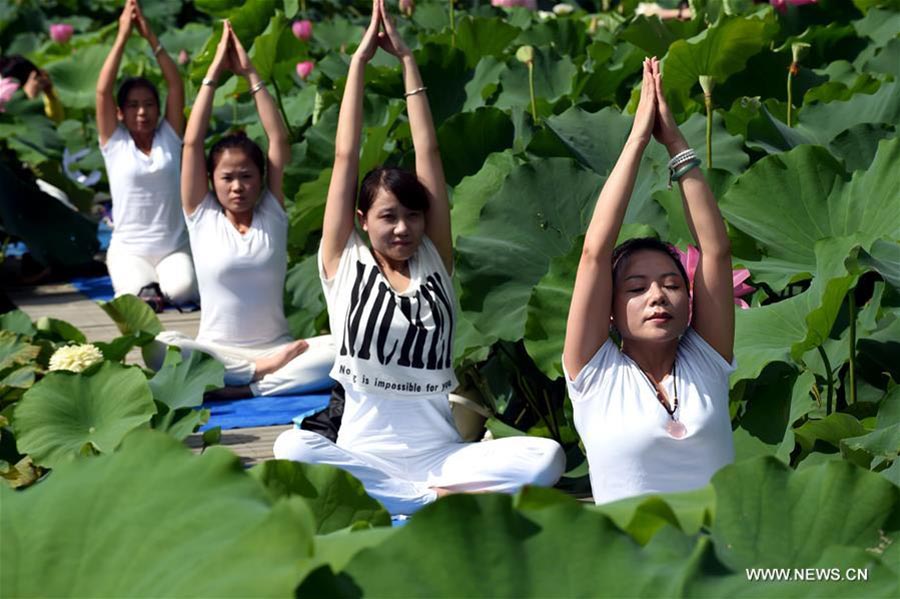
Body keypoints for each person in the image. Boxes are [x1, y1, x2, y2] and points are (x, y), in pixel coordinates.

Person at [273, 0, 566, 516]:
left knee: (548, 456)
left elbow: (429, 154)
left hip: (442, 456)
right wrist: (359, 67)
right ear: (362, 219)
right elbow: (345, 157)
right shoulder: (343, 264)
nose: (403, 227)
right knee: (290, 447)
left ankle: (412, 497)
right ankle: (430, 503)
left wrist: (409, 63)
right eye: (388, 217)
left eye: (412, 215)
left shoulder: (436, 261)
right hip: (360, 453)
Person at [562, 58, 736, 505]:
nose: (657, 295)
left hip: (718, 558)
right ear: (611, 308)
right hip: (632, 564)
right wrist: (638, 138)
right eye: (636, 288)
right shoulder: (593, 373)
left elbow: (715, 251)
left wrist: (675, 141)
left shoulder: (707, 361)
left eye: (672, 284)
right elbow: (593, 254)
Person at [147, 21, 334, 398]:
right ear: (211, 179)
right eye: (227, 177)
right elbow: (191, 142)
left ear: (262, 178)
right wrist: (212, 76)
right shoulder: (201, 216)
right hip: (217, 352)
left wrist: (250, 72)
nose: (237, 186)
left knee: (342, 349)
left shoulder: (272, 212)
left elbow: (278, 137)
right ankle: (255, 376)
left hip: (281, 349)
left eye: (247, 176)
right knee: (159, 344)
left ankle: (242, 388)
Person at [96, 0, 197, 307]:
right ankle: (145, 289)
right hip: (129, 250)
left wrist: (151, 37)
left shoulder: (169, 135)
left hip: (173, 248)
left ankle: (159, 289)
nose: (142, 112)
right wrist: (123, 35)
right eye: (133, 106)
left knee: (181, 292)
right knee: (136, 298)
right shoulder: (114, 142)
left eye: (150, 104)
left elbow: (175, 84)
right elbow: (102, 90)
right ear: (121, 113)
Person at [0, 55, 65, 123]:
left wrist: (50, 94)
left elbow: (55, 123)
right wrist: (29, 97)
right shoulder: (5, 98)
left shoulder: (44, 96)